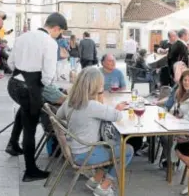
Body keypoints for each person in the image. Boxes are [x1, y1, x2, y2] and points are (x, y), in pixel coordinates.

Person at [6, 12, 67, 182]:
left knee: (24, 111)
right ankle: (30, 171)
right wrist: (42, 82)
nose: (58, 35)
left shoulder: (22, 37)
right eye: (59, 32)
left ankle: (12, 144)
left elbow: (10, 64)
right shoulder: (50, 42)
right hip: (30, 89)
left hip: (13, 85)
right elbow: (48, 76)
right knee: (30, 128)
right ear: (55, 28)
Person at [56, 67, 134, 196]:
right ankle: (104, 187)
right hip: (87, 154)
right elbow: (117, 116)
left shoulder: (69, 101)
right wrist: (114, 105)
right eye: (101, 84)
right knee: (127, 150)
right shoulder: (92, 105)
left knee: (109, 147)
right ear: (96, 86)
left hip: (74, 149)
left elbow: (59, 116)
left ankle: (95, 180)